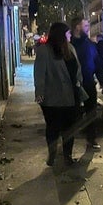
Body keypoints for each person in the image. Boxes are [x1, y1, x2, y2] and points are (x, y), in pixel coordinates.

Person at [34, 22, 83, 166]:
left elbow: (77, 69)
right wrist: (39, 93)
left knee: (70, 128)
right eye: (67, 33)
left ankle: (67, 155)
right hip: (52, 98)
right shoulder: (45, 51)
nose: (70, 35)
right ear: (60, 34)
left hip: (71, 96)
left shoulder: (70, 48)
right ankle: (52, 154)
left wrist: (80, 82)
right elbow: (39, 74)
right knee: (53, 128)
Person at [70, 17, 101, 151]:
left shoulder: (89, 43)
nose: (88, 28)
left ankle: (91, 139)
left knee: (91, 112)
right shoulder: (68, 43)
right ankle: (68, 144)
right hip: (72, 84)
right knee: (72, 113)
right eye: (86, 26)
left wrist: (102, 80)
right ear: (77, 27)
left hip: (88, 82)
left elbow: (97, 62)